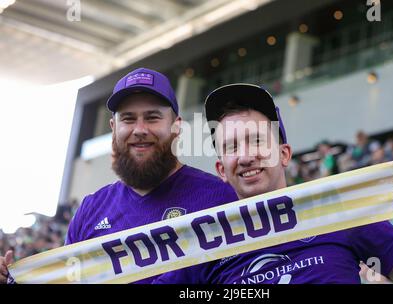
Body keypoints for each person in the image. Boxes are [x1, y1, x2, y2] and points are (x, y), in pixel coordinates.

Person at [154, 83, 393, 284]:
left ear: (284, 154)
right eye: (231, 147)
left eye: (257, 141)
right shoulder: (204, 242)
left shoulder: (336, 211)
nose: (245, 157)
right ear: (221, 169)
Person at [0, 68, 238, 284]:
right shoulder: (91, 210)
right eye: (128, 118)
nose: (140, 129)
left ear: (176, 127)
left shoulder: (220, 197)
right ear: (114, 128)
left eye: (152, 117)